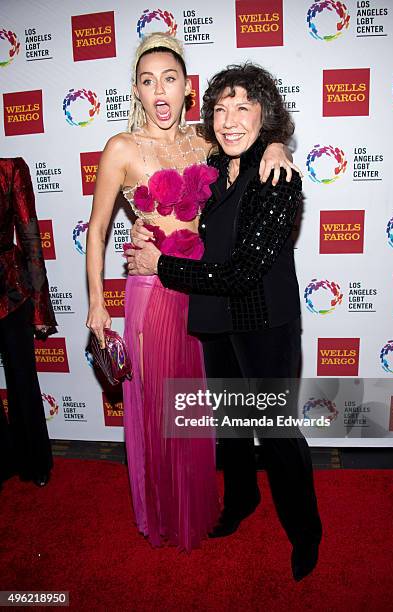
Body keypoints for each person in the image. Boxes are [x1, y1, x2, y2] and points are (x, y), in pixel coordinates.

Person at [86, 33, 298, 552]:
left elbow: (248, 145)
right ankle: (163, 512)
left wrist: (277, 143)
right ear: (135, 91)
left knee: (201, 414)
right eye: (147, 80)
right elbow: (95, 230)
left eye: (170, 78)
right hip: (152, 294)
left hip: (206, 294)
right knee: (162, 413)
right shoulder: (121, 148)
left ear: (186, 89)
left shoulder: (207, 138)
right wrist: (97, 302)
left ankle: (206, 504)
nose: (159, 90)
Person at [127, 63, 323, 579]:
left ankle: (306, 532)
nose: (230, 119)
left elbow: (244, 272)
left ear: (265, 116)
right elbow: (166, 148)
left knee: (277, 434)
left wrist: (160, 266)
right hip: (214, 319)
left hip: (263, 325)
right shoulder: (213, 167)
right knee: (232, 428)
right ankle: (240, 500)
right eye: (220, 107)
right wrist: (154, 241)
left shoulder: (277, 177)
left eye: (244, 107)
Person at [0, 157, 57, 489]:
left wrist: (39, 307)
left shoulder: (9, 170)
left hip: (10, 290)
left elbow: (31, 239)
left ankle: (34, 461)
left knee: (22, 378)